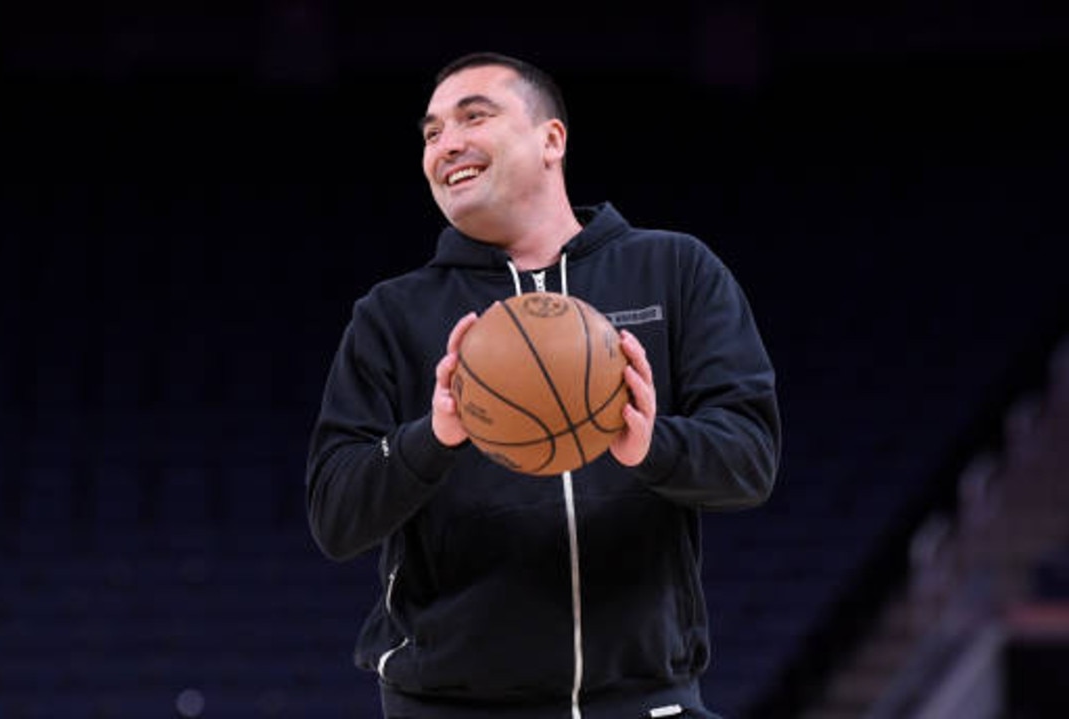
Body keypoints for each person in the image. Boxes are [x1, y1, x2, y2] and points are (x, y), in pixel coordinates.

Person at [306, 51, 781, 719]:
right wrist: (432, 438)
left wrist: (652, 443)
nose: (447, 143)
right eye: (432, 132)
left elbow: (749, 462)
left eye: (474, 116)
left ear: (550, 138)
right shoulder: (391, 314)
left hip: (647, 698)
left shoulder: (675, 269)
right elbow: (334, 515)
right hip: (448, 706)